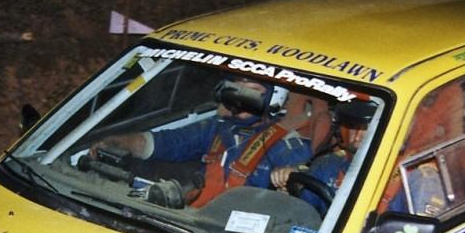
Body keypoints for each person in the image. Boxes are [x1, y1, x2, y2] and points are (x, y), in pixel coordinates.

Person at [92, 78, 311, 208]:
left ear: (275, 98)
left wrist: (290, 177)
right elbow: (166, 142)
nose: (240, 97)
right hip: (195, 220)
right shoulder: (217, 127)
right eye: (236, 87)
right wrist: (121, 142)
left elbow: (301, 177)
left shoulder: (287, 144)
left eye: (252, 91)